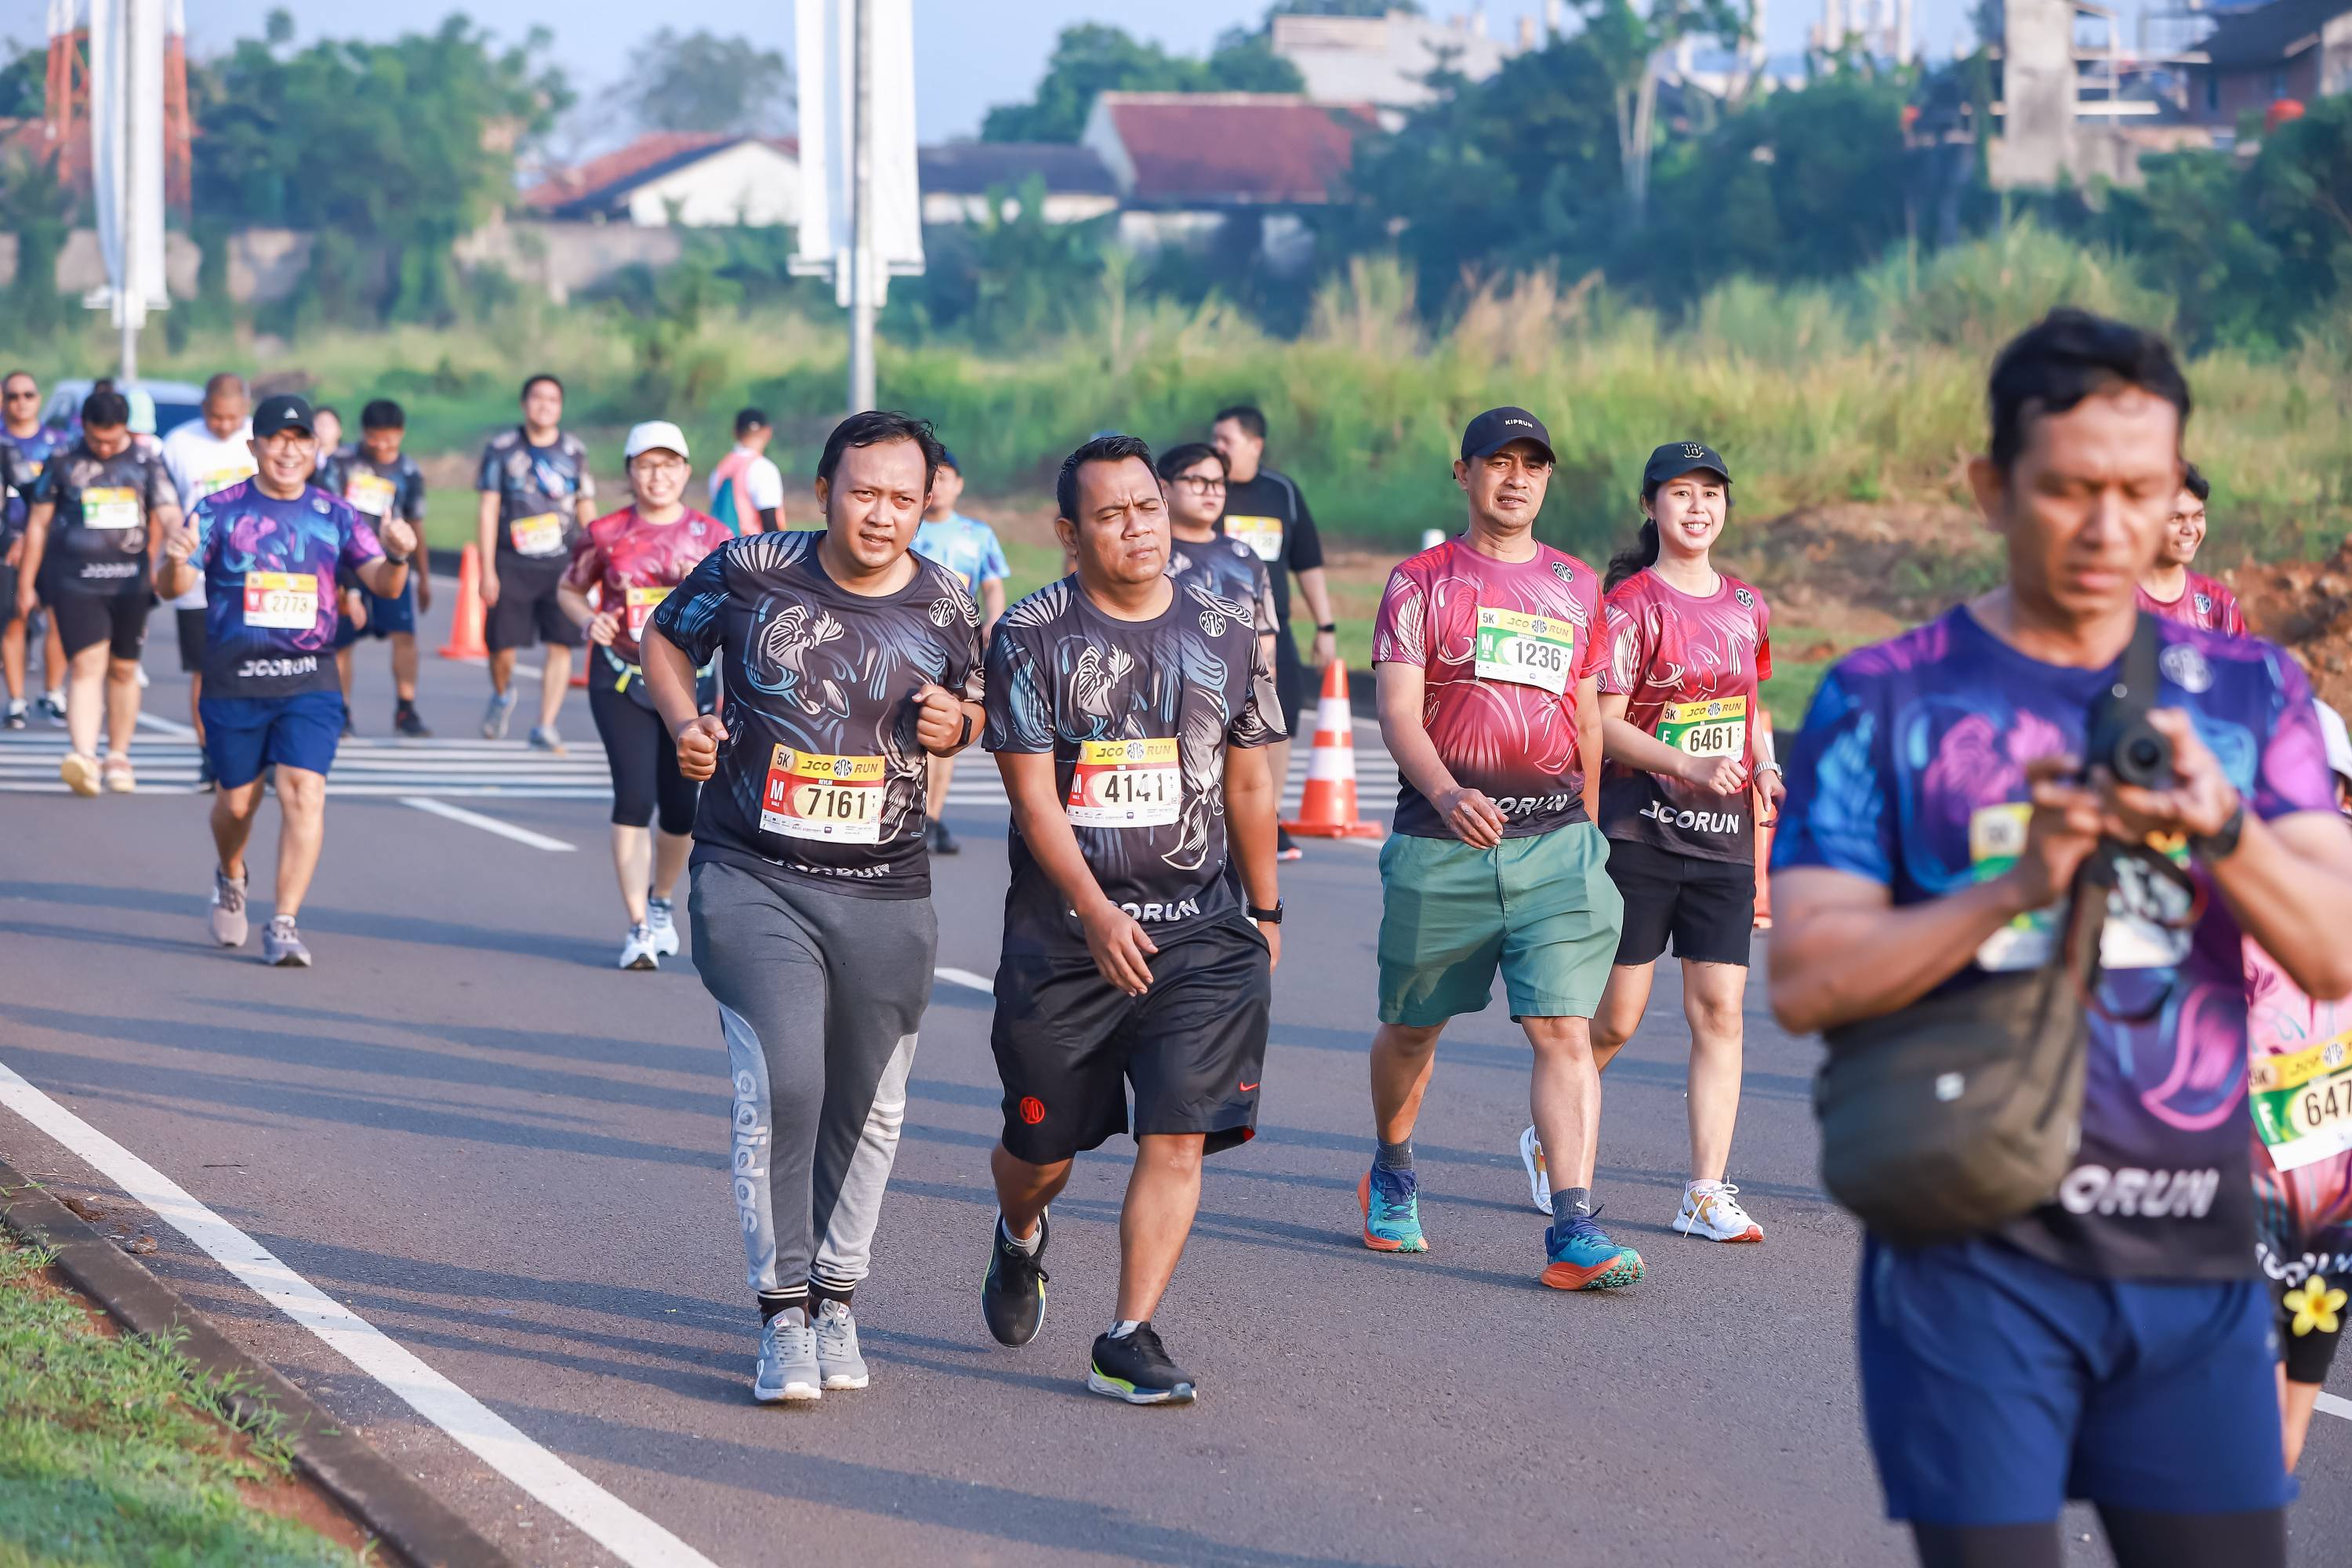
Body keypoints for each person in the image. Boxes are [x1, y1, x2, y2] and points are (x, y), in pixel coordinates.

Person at [1769, 310, 2352, 1568]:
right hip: (1968, 1260)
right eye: (2069, 490)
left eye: (2140, 492)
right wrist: (2015, 886)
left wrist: (2222, 826)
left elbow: (2333, 954)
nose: (2106, 528)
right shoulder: (1889, 697)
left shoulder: (2250, 695)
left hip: (2195, 1269)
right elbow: (1807, 978)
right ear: (1992, 488)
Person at [641, 410, 983, 1405]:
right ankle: (782, 1312)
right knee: (786, 1081)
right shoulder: (751, 569)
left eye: (904, 498)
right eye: (863, 492)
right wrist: (685, 722)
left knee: (872, 1103)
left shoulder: (946, 599)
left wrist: (957, 722)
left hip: (885, 884)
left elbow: (978, 702)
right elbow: (665, 638)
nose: (882, 514)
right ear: (824, 490)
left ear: (927, 503)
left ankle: (837, 1297)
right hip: (752, 869)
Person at [976, 434, 1282, 1406]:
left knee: (1178, 1133)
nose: (1137, 527)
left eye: (1147, 507)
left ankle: (1126, 1333)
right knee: (1041, 1157)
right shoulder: (1030, 635)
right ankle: (1019, 1234)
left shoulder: (1229, 625)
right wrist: (1096, 908)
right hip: (1065, 940)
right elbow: (1034, 800)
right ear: (1070, 533)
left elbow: (1248, 779)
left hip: (1199, 928)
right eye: (1110, 515)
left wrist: (1265, 907)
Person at [1359, 407, 1639, 1293]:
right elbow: (1398, 711)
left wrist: (1588, 825)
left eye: (1533, 465)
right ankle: (1393, 1165)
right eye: (1499, 462)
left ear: (1548, 479)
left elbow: (1585, 715)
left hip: (1555, 843)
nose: (1516, 479)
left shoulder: (1576, 585)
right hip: (1441, 841)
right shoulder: (1420, 582)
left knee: (1563, 1029)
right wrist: (1448, 792)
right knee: (1413, 1028)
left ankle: (1575, 1225)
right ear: (1464, 472)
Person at [1516, 441, 1780, 1242]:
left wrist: (1766, 763)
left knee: (1721, 1011)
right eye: (1681, 493)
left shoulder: (1748, 605)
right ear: (1652, 505)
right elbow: (1603, 723)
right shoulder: (1630, 605)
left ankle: (1704, 1190)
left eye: (1711, 494)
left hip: (1725, 838)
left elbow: (1752, 705)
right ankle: (1553, 1129)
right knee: (1618, 1020)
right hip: (1642, 833)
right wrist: (1687, 763)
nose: (1698, 508)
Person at [158, 394, 416, 967]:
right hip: (235, 680)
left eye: (300, 440)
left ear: (316, 449)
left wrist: (398, 557)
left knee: (305, 789)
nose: (288, 451)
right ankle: (231, 874)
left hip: (309, 678)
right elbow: (169, 588)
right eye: (276, 439)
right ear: (254, 447)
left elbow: (384, 583)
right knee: (236, 804)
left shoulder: (336, 514)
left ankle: (284, 922)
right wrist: (175, 561)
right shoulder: (219, 510)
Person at [557, 421, 729, 970]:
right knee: (633, 798)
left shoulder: (714, 536)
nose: (658, 476)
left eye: (669, 464)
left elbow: (740, 609)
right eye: (646, 465)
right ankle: (636, 926)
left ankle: (660, 900)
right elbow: (569, 588)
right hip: (620, 677)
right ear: (630, 472)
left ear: (686, 471)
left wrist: (703, 586)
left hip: (690, 682)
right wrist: (589, 621)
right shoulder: (606, 532)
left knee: (681, 806)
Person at [2249, 700, 2352, 1475]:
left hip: (2280, 1181)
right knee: (2281, 1411)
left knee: (2267, 1410)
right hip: (2318, 1193)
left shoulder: (2243, 882)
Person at [13, 390, 180, 796]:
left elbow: (168, 509)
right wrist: (26, 583)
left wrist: (178, 536)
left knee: (123, 669)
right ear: (83, 427)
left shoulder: (146, 462)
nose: (104, 448)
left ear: (126, 429)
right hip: (76, 582)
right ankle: (85, 755)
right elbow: (38, 524)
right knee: (87, 665)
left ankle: (118, 756)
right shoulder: (63, 461)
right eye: (96, 439)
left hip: (130, 583)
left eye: (112, 439)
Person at [1214, 405, 1339, 862]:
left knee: (1277, 723)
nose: (1217, 449)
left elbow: (1307, 563)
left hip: (1272, 631)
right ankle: (1214, 819)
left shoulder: (1281, 492)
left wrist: (1325, 625)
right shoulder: (1208, 491)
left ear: (1255, 445)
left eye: (1226, 440)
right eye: (1214, 439)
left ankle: (1270, 816)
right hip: (1213, 630)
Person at [477, 374, 597, 752]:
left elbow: (586, 506)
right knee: (501, 646)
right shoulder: (502, 449)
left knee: (560, 644)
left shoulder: (574, 451)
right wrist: (487, 569)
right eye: (538, 398)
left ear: (560, 407)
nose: (545, 405)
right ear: (524, 403)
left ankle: (545, 724)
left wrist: (598, 558)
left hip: (562, 563)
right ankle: (501, 693)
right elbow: (488, 509)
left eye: (553, 399)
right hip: (512, 561)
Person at [909, 448, 1009, 856]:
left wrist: (993, 624)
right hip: (908, 641)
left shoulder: (977, 534)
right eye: (932, 478)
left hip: (956, 645)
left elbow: (993, 585)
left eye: (946, 477)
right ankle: (911, 812)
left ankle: (931, 816)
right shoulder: (909, 527)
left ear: (959, 485)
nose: (939, 485)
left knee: (947, 726)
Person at [159, 373, 260, 771]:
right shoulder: (179, 444)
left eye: (233, 417)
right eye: (216, 417)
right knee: (206, 670)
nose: (224, 425)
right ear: (204, 408)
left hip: (256, 575)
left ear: (246, 409)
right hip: (198, 576)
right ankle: (209, 754)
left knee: (258, 665)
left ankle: (256, 751)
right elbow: (164, 507)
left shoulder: (261, 442)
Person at [326, 401, 433, 738]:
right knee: (342, 641)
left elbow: (416, 525)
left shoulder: (409, 471)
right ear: (363, 433)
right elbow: (328, 516)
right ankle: (341, 711)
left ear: (401, 434)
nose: (382, 445)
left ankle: (406, 708)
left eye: (389, 438)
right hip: (346, 564)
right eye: (374, 437)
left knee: (405, 636)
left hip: (392, 564)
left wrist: (424, 577)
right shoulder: (341, 463)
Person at [1160, 441, 1277, 673]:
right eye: (1197, 481)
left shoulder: (1245, 559)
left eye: (1218, 483)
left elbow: (1265, 644)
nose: (1211, 491)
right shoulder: (1148, 556)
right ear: (1164, 488)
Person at [1, 369, 66, 729]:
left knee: (58, 617)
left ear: (39, 399)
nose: (21, 402)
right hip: (8, 545)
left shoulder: (59, 443)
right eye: (13, 396)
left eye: (28, 395)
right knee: (15, 616)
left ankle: (53, 692)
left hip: (52, 543)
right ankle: (16, 699)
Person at [2135, 461, 2246, 634]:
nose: (2190, 530)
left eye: (2198, 516)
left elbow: (2240, 652)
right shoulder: (2113, 602)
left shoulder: (2219, 604)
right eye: (2175, 518)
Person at [706, 407, 783, 535]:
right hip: (751, 546)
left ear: (735, 433)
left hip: (721, 545)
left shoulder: (719, 470)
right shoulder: (764, 469)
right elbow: (770, 525)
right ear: (767, 432)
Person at [310, 407, 342, 477]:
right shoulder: (307, 461)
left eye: (329, 424)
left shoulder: (349, 460)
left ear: (340, 430)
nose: (325, 428)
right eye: (320, 424)